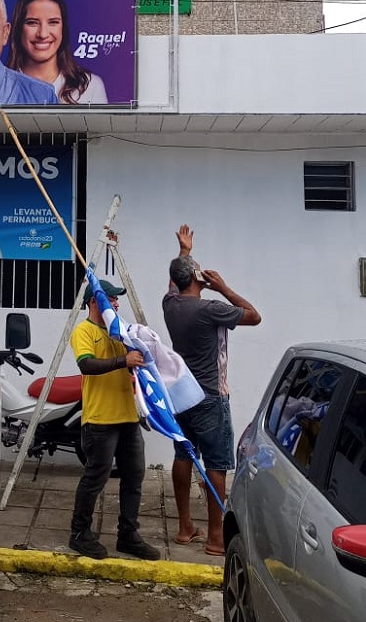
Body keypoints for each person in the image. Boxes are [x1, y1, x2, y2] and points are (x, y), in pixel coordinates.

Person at [162, 225, 261, 556]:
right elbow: (254, 316)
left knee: (182, 456)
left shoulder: (170, 304)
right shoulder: (211, 309)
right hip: (210, 398)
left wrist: (184, 253)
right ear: (196, 279)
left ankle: (184, 527)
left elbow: (175, 282)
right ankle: (216, 538)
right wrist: (223, 287)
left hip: (181, 395)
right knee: (216, 464)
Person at [69, 279, 160, 561]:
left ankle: (128, 534)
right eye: (111, 298)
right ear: (95, 301)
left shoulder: (121, 332)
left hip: (128, 417)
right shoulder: (83, 331)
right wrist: (124, 361)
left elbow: (141, 362)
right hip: (100, 419)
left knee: (134, 477)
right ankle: (79, 533)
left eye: (118, 299)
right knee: (95, 478)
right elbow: (86, 365)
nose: (117, 303)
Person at [7, 0, 108, 104]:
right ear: (18, 29)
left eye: (53, 22)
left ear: (63, 29)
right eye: (32, 23)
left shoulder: (90, 87)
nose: (43, 34)